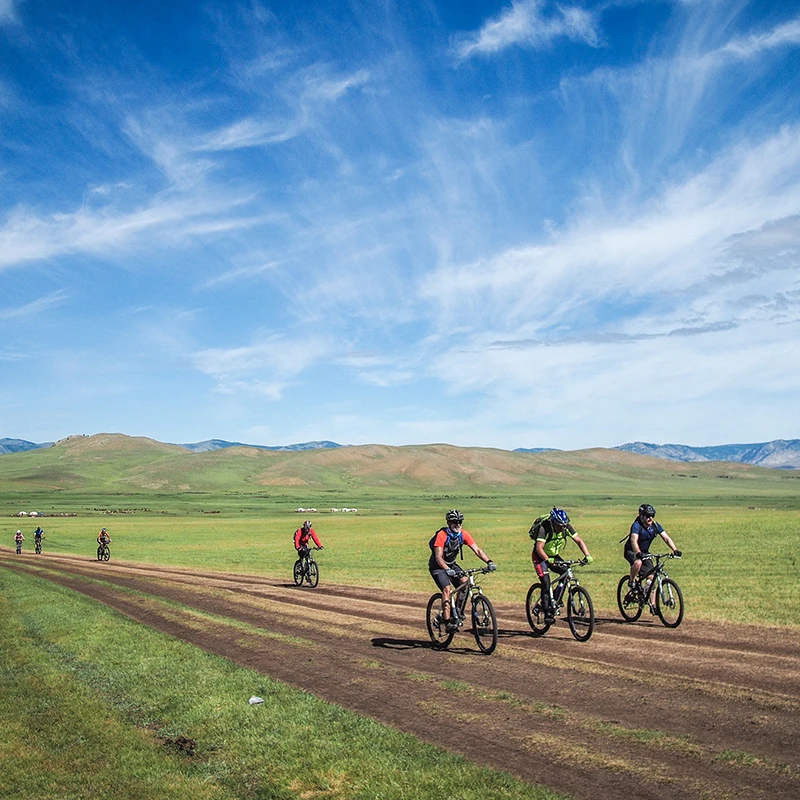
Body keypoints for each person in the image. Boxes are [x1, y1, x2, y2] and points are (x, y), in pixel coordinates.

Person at [429, 509, 496, 632]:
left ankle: (457, 614)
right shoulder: (442, 535)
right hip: (438, 566)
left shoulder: (463, 534)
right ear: (449, 522)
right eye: (455, 522)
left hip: (451, 564)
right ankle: (447, 621)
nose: (458, 524)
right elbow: (438, 556)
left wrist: (489, 562)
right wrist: (447, 569)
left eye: (460, 521)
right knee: (447, 589)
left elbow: (477, 550)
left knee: (465, 583)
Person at [530, 507, 593, 624]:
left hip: (553, 556)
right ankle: (547, 612)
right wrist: (547, 559)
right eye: (560, 526)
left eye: (564, 526)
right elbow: (539, 548)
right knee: (546, 582)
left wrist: (587, 555)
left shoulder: (565, 527)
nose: (562, 528)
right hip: (540, 557)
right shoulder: (545, 528)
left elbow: (579, 540)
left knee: (566, 572)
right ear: (553, 523)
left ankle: (555, 599)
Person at [624, 503, 681, 614]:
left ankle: (653, 605)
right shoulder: (636, 525)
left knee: (652, 578)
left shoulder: (655, 525)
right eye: (647, 516)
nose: (650, 518)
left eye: (652, 516)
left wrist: (675, 550)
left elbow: (666, 538)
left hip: (645, 553)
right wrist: (638, 552)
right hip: (632, 551)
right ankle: (632, 582)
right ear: (641, 516)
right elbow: (633, 541)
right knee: (638, 563)